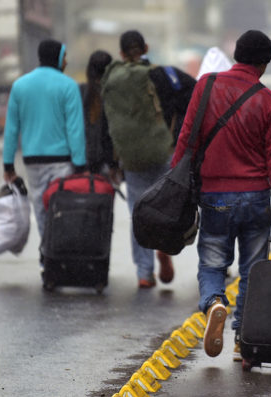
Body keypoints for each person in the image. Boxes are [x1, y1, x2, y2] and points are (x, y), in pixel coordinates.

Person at [171, 29, 271, 361]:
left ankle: (214, 303)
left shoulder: (206, 85)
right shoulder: (269, 100)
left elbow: (186, 139)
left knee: (212, 263)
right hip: (255, 196)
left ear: (236, 54)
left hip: (214, 195)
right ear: (265, 63)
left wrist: (174, 183)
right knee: (253, 270)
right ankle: (244, 339)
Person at [101, 30, 187, 289]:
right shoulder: (159, 75)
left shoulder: (111, 80)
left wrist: (113, 163)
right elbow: (191, 95)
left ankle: (144, 272)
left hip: (131, 159)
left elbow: (109, 124)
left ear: (121, 53)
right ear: (145, 47)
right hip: (163, 151)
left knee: (137, 213)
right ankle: (164, 246)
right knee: (165, 208)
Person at [2, 39, 86, 259]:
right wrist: (80, 163)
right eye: (64, 56)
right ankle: (61, 254)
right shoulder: (68, 86)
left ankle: (47, 254)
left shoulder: (20, 86)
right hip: (62, 160)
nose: (66, 61)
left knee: (40, 208)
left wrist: (8, 164)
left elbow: (12, 129)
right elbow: (75, 129)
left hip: (33, 161)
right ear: (57, 57)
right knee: (60, 209)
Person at [80, 50, 119, 177]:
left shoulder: (80, 92)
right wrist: (114, 165)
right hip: (107, 163)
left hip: (83, 162)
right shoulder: (114, 94)